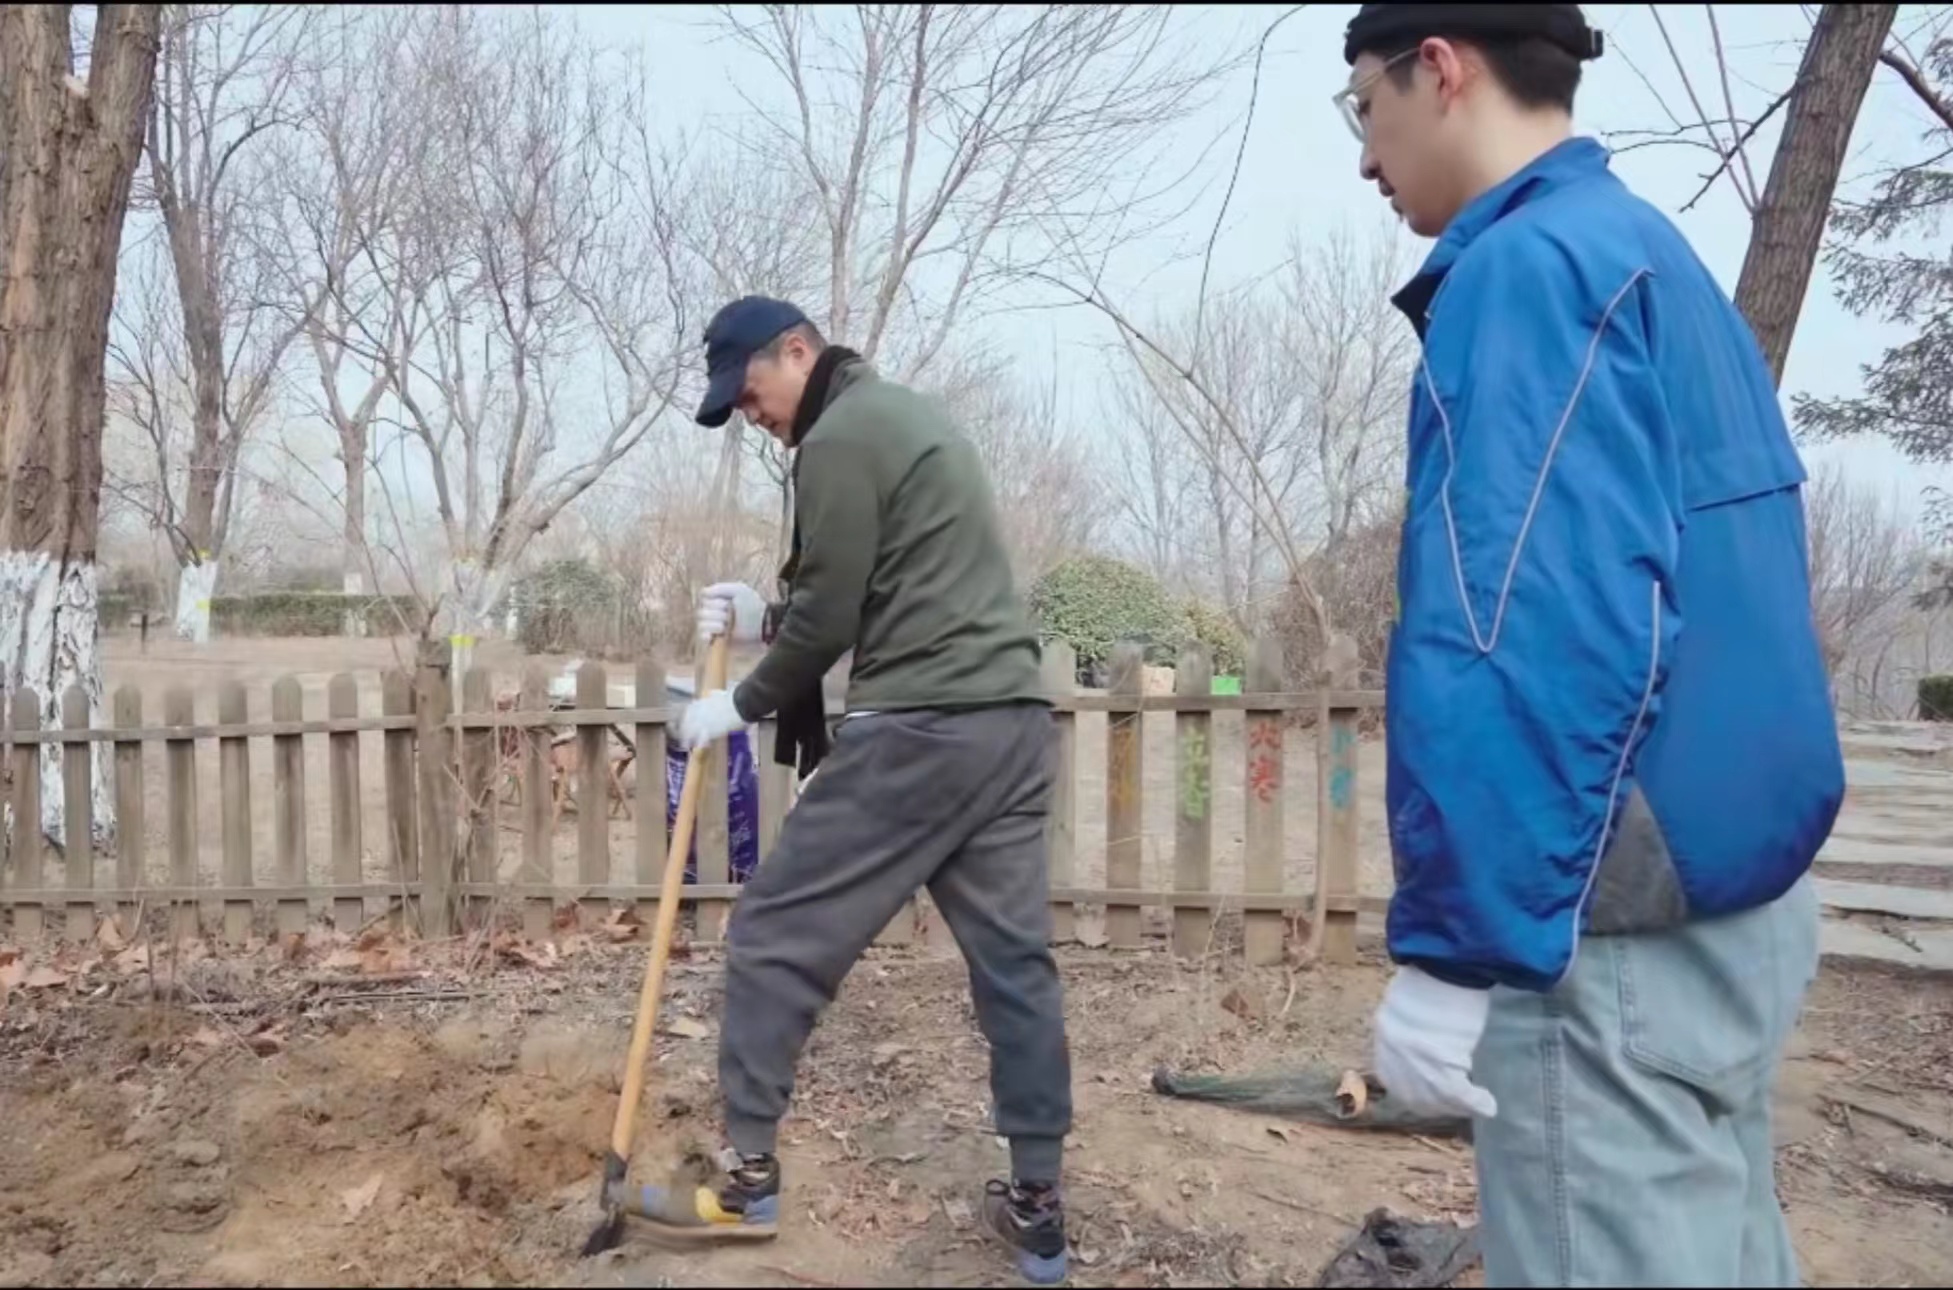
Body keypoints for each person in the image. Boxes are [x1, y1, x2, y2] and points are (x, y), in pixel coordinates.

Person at [1337, 5, 1845, 1286]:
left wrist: (1459, 953)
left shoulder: (1529, 270)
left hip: (1605, 939)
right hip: (1737, 908)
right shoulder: (1650, 258)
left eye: (1365, 107)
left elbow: (1523, 622)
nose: (1364, 155)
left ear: (1438, 70)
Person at [654, 295, 1074, 1287]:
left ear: (797, 350)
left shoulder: (837, 439)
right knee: (1014, 966)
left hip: (922, 729)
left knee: (771, 937)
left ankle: (747, 1180)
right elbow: (884, 583)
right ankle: (1039, 1207)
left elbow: (835, 615)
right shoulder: (905, 419)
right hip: (1011, 724)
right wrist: (768, 614)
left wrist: (743, 701)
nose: (750, 415)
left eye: (751, 394)